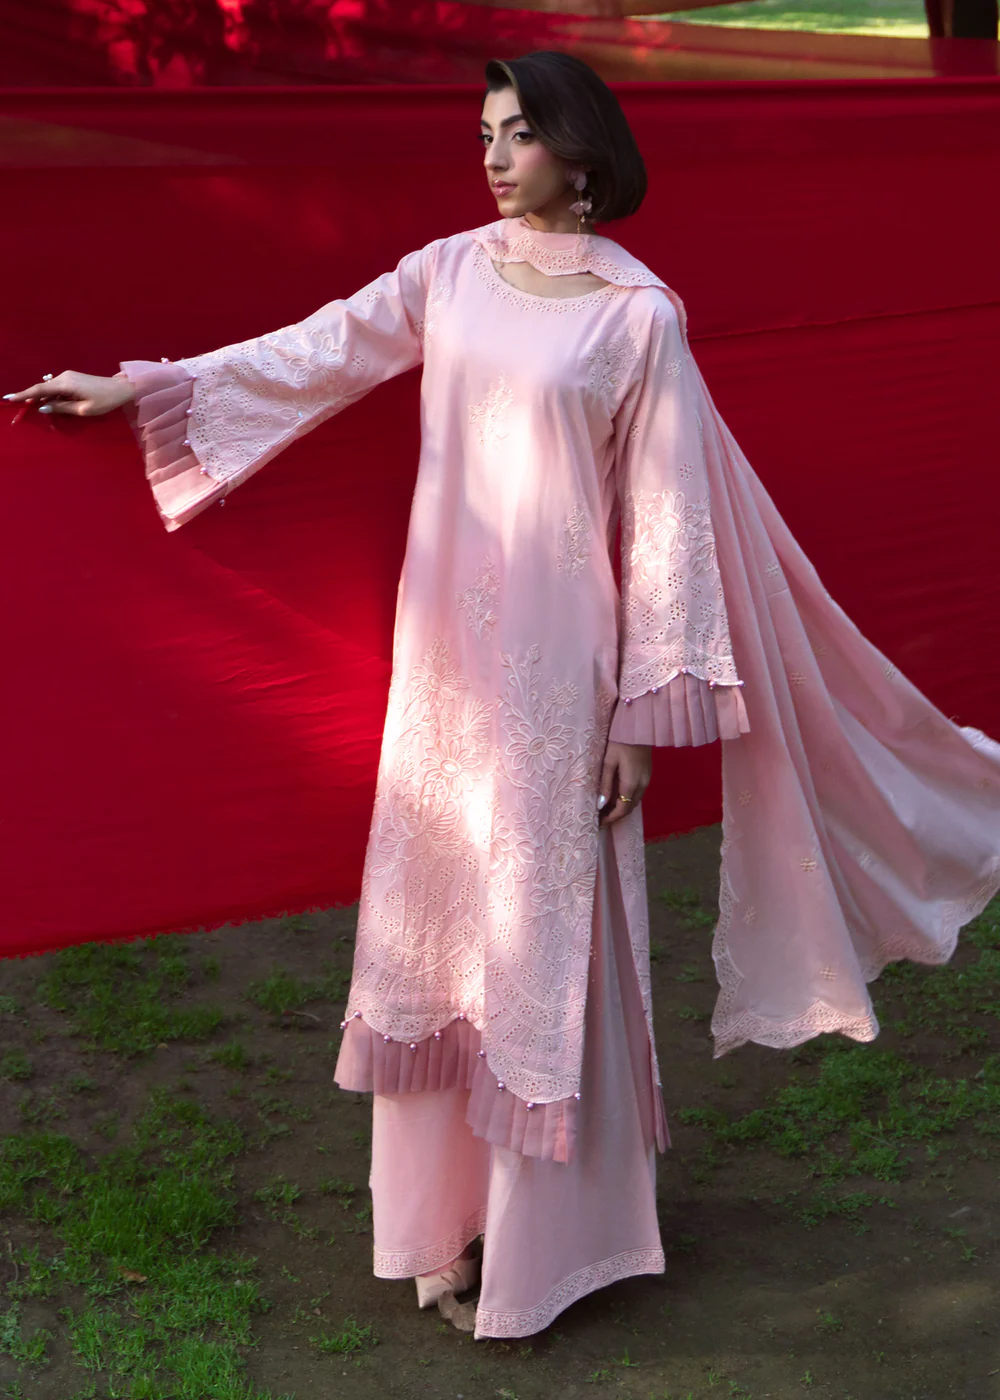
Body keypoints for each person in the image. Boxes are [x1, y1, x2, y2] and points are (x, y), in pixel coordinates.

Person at [6, 50, 999, 1342]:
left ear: (580, 153)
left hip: (560, 671)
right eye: (483, 131)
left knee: (542, 931)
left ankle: (547, 1246)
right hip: (445, 663)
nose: (490, 155)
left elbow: (666, 523)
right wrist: (141, 385)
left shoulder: (637, 316)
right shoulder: (449, 271)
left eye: (517, 132)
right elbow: (317, 352)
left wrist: (638, 716)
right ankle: (435, 1226)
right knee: (435, 916)